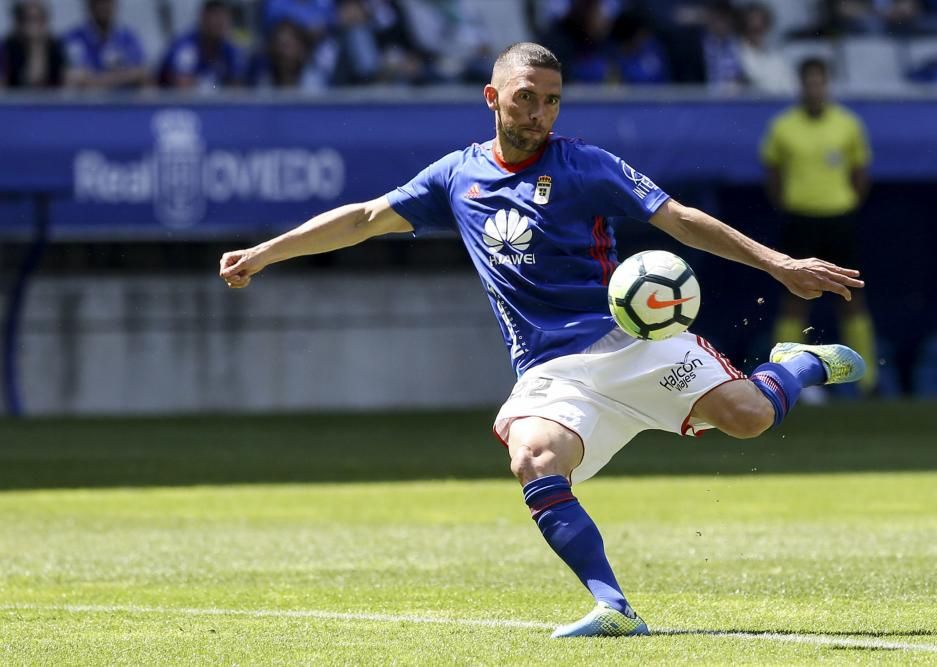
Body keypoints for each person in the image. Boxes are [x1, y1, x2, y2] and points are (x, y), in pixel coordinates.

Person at [219, 42, 866, 637]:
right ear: (493, 96)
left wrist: (780, 263)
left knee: (749, 418)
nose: (540, 112)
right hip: (552, 370)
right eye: (527, 96)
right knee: (532, 456)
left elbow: (682, 220)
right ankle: (614, 605)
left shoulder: (586, 165)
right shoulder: (455, 177)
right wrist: (265, 252)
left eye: (552, 99)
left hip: (632, 340)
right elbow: (363, 219)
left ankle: (801, 363)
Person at [761, 57, 877, 395]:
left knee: (850, 296)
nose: (814, 89)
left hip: (838, 219)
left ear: (827, 85)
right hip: (800, 219)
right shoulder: (783, 127)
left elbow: (860, 173)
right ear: (801, 86)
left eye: (819, 82)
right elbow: (773, 174)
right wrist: (792, 203)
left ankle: (867, 382)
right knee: (794, 297)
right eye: (809, 83)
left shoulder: (848, 124)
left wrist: (844, 202)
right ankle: (781, 376)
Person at [159, 0, 245, 90]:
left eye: (224, 18)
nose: (220, 23)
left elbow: (237, 89)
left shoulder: (231, 50)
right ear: (203, 18)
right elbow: (183, 89)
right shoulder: (186, 47)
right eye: (216, 17)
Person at [63, 0, 147, 90]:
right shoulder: (73, 38)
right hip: (85, 101)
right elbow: (73, 77)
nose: (103, 7)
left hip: (124, 101)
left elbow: (141, 73)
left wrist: (98, 80)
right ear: (89, 5)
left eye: (108, 2)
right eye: (99, 2)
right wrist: (121, 77)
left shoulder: (128, 38)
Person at [0, 0, 66, 89]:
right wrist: (35, 44)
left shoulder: (55, 47)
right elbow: (30, 81)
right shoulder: (8, 47)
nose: (34, 25)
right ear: (19, 22)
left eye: (38, 19)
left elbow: (61, 81)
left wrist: (38, 44)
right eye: (29, 19)